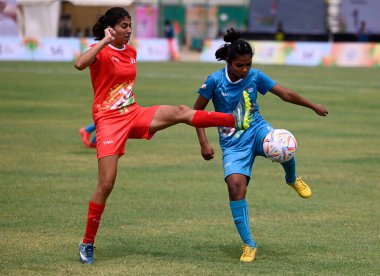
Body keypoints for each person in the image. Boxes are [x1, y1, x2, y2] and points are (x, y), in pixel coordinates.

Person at [74, 8, 250, 265]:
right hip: (109, 123)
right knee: (107, 184)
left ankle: (236, 120)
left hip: (133, 114)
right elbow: (79, 64)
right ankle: (87, 243)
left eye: (130, 25)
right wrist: (104, 41)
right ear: (111, 28)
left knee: (180, 111)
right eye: (124, 26)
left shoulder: (132, 52)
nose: (129, 30)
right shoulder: (101, 49)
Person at [193, 28, 328, 263]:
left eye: (248, 64)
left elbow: (284, 93)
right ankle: (249, 244)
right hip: (233, 143)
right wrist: (204, 143)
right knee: (235, 187)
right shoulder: (214, 80)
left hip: (257, 131)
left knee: (282, 142)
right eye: (239, 65)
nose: (245, 70)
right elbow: (196, 113)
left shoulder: (255, 76)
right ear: (229, 62)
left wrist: (312, 105)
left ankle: (292, 178)